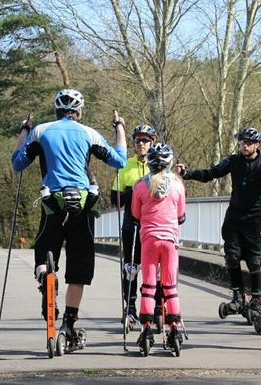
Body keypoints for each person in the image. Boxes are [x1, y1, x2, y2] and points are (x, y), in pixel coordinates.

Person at [12, 88, 127, 342]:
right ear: (79, 111)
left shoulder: (40, 131)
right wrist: (119, 127)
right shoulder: (89, 133)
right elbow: (120, 161)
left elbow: (18, 163)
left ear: (57, 110)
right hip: (82, 206)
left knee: (43, 254)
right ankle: (68, 324)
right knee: (78, 269)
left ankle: (45, 278)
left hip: (52, 202)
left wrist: (23, 132)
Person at [175, 127, 261, 318]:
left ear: (257, 145)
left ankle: (256, 300)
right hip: (235, 217)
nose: (244, 145)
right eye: (242, 142)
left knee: (254, 262)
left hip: (256, 219)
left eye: (249, 142)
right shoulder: (233, 161)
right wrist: (188, 174)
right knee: (231, 257)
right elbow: (211, 173)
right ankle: (238, 298)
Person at [130, 142, 186, 348]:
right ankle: (174, 328)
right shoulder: (178, 185)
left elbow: (135, 214)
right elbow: (181, 215)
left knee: (149, 285)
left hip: (149, 240)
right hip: (170, 241)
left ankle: (146, 327)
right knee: (170, 286)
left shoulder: (140, 185)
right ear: (169, 162)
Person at [110, 124, 157, 323]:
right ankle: (129, 308)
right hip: (131, 223)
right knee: (130, 267)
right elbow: (115, 200)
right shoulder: (125, 165)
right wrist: (136, 190)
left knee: (154, 268)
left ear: (153, 143)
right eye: (138, 140)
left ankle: (155, 308)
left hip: (153, 224)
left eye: (145, 140)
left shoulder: (160, 163)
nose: (141, 144)